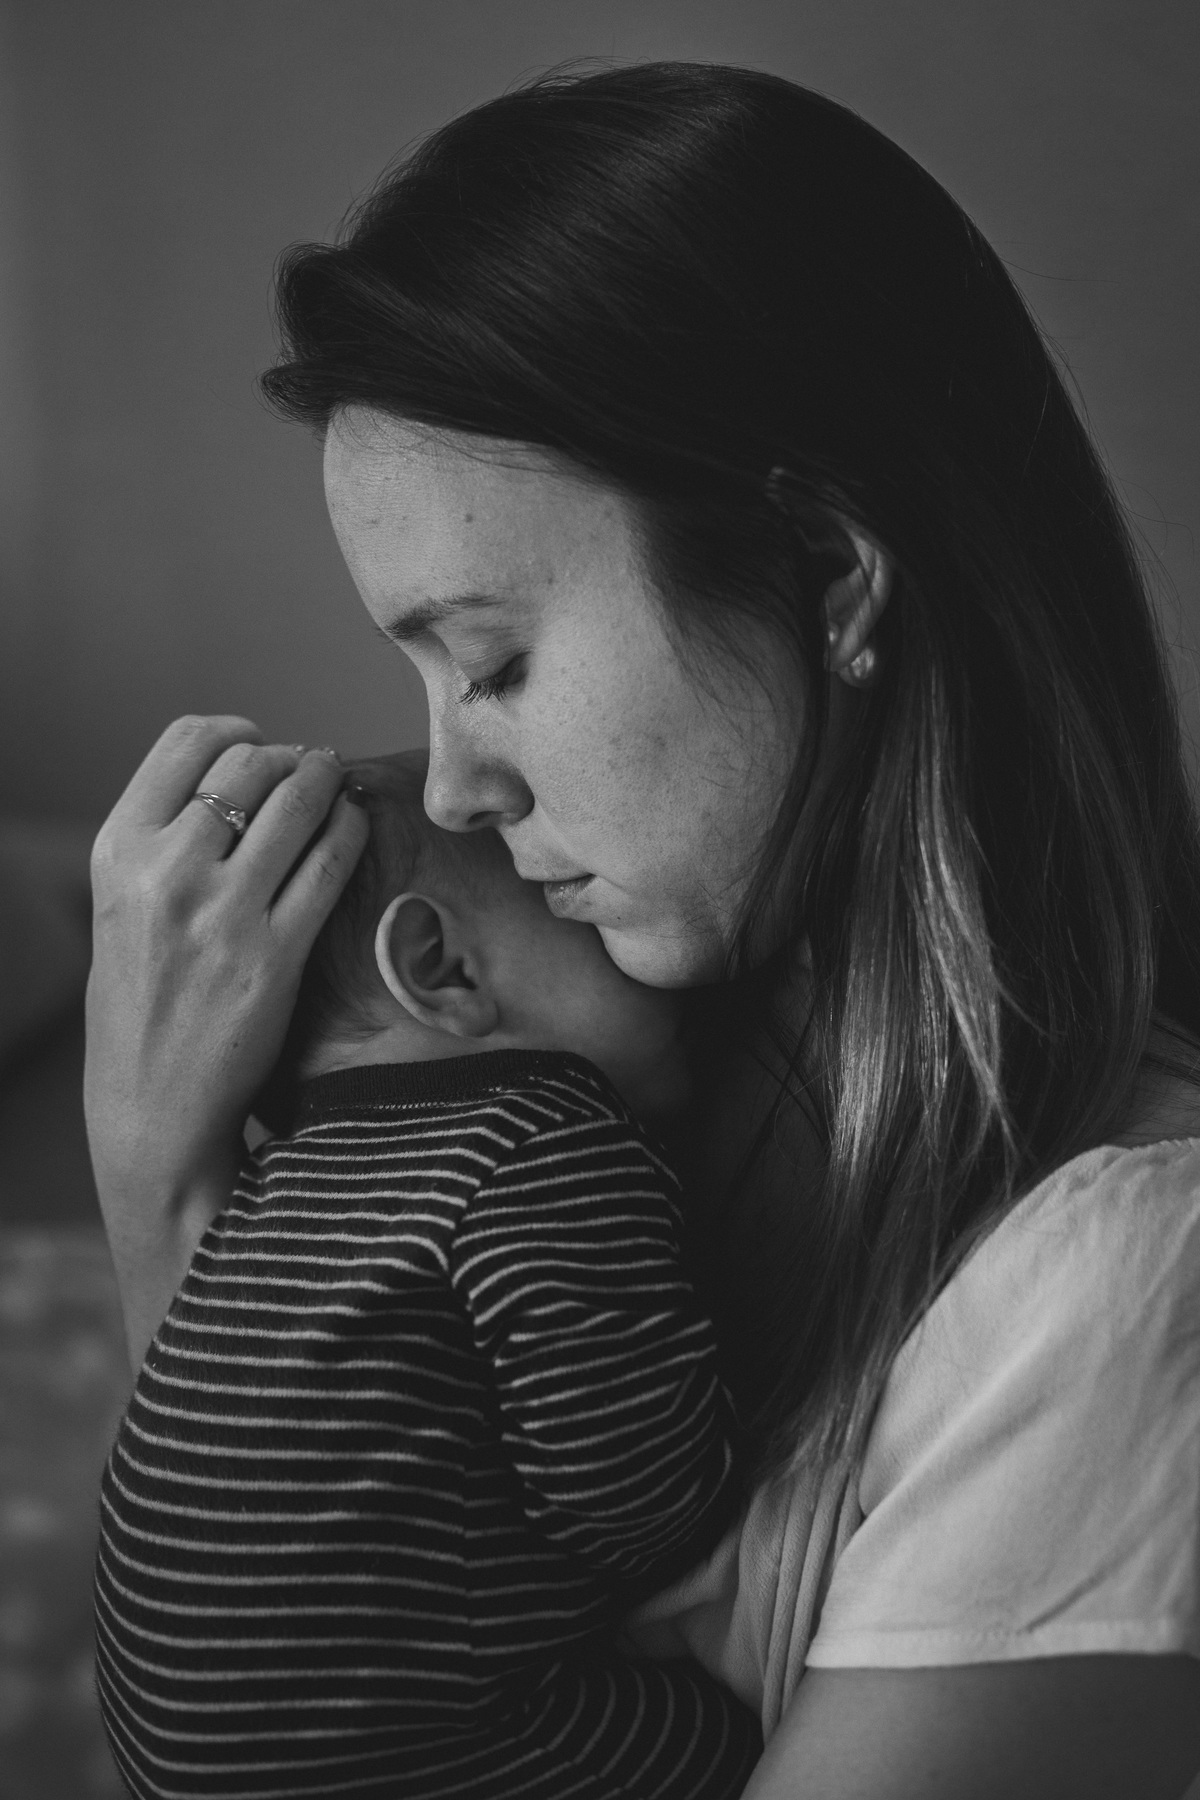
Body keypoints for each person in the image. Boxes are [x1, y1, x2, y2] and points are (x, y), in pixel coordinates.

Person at [85, 62, 1200, 1799]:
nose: (452, 784)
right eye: (419, 677)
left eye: (498, 659)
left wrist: (178, 1217)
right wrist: (165, 1185)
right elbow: (354, 1690)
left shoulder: (1117, 1290)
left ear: (827, 573)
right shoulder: (655, 1063)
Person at [93, 750, 760, 1799]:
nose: (659, 964)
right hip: (421, 1747)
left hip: (180, 1760)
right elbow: (640, 1500)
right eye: (582, 911)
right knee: (730, 1743)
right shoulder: (540, 1135)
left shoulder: (277, 1195)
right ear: (443, 970)